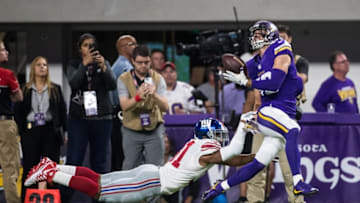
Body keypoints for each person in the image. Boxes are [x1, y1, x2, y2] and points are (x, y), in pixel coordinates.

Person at [202, 20, 319, 201]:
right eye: (254, 35)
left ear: (271, 35)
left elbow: (274, 83)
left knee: (257, 165)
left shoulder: (281, 48)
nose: (256, 38)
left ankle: (220, 186)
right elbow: (238, 71)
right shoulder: (256, 62)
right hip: (268, 111)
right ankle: (298, 183)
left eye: (260, 34)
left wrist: (246, 81)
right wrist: (227, 65)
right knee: (293, 130)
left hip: (281, 114)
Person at [24, 118, 255, 202]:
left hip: (151, 174)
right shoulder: (207, 151)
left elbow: (232, 159)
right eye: (219, 135)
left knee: (99, 179)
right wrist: (244, 126)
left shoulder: (199, 145)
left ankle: (53, 166)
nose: (221, 139)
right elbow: (232, 152)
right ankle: (51, 172)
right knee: (99, 192)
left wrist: (257, 158)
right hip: (151, 182)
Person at [14, 56, 67, 200]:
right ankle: (27, 198)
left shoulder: (55, 89)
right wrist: (22, 131)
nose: (42, 67)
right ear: (33, 69)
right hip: (31, 131)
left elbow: (62, 112)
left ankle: (53, 198)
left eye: (45, 64)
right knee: (30, 168)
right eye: (39, 65)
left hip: (50, 131)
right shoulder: (25, 89)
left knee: (51, 168)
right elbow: (18, 112)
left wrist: (66, 131)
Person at [66, 33, 116, 173]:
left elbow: (112, 85)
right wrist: (84, 65)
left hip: (101, 118)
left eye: (91, 45)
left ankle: (99, 195)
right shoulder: (74, 64)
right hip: (79, 119)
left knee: (100, 162)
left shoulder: (103, 63)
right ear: (80, 48)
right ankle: (67, 195)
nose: (89, 48)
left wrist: (104, 69)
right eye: (85, 45)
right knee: (74, 160)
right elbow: (74, 83)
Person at [117, 45, 168, 170]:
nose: (143, 65)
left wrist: (154, 95)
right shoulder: (124, 79)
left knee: (156, 169)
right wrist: (138, 96)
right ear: (133, 61)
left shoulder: (158, 78)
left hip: (154, 129)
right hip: (131, 129)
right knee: (130, 168)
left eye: (146, 62)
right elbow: (124, 105)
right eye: (140, 62)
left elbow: (165, 106)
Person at [110, 34, 137, 171]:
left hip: (118, 113)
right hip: (122, 114)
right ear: (123, 47)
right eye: (132, 44)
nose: (136, 47)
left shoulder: (118, 65)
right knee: (124, 156)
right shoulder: (124, 66)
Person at [0, 40, 23, 203]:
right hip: (4, 124)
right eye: (2, 50)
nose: (6, 52)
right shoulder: (7, 74)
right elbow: (18, 97)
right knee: (10, 167)